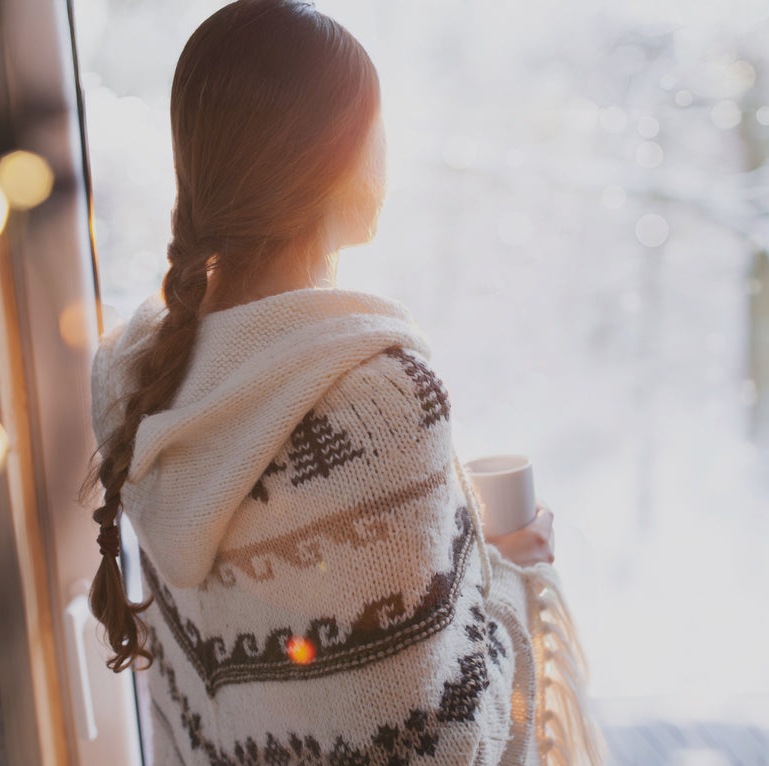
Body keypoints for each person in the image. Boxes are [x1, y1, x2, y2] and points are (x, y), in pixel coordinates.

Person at [88, 1, 603, 764]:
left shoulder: (132, 372)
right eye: (376, 123)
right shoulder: (379, 405)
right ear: (332, 157)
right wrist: (518, 577)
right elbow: (442, 743)